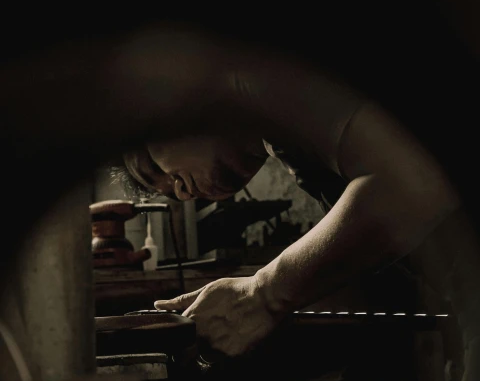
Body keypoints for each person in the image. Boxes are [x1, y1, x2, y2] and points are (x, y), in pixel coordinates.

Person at [112, 61, 461, 360]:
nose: (184, 194)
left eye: (156, 169)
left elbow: (409, 181)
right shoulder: (292, 150)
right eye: (171, 193)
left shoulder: (261, 81)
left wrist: (265, 292)